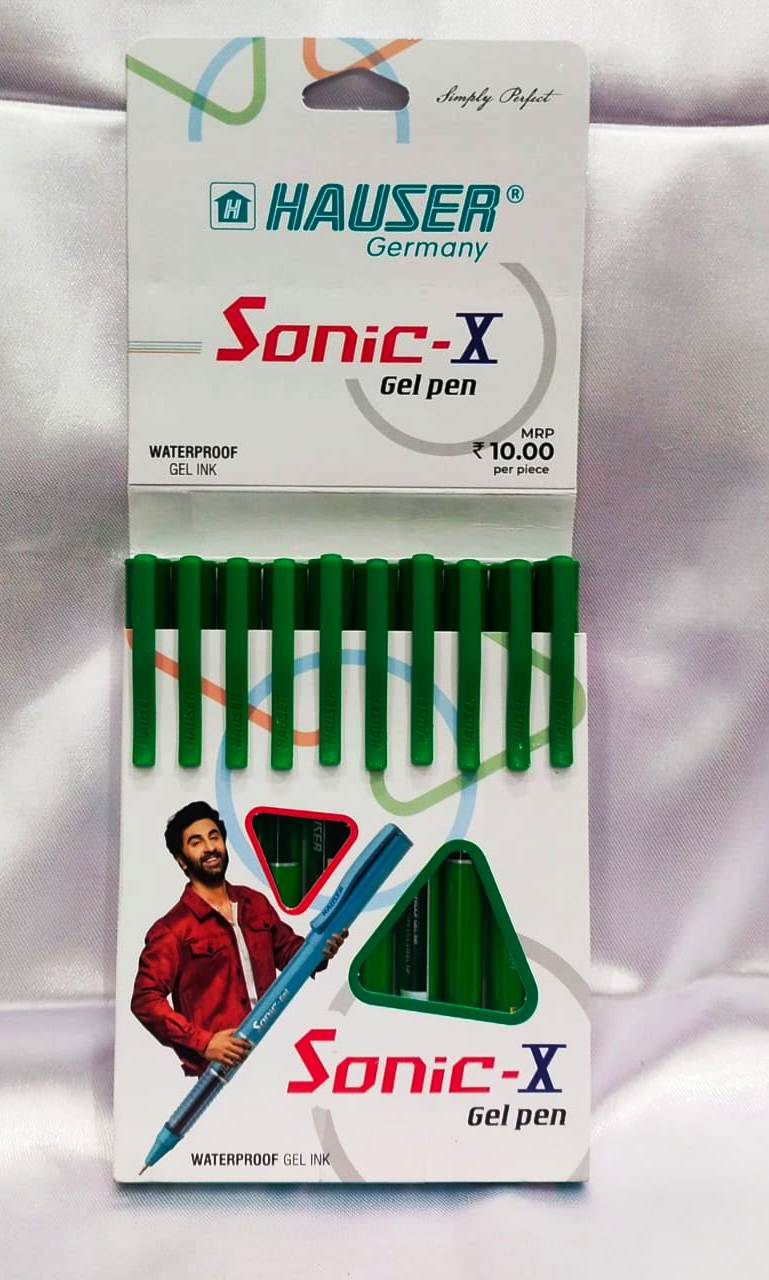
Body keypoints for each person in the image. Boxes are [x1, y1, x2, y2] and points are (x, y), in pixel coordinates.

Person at [131, 801, 346, 1075]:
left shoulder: (254, 903)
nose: (210, 847)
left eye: (214, 837)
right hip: (218, 1073)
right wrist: (204, 1042)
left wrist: (320, 950)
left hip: (274, 1057)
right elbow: (145, 1000)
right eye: (196, 842)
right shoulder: (173, 929)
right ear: (181, 860)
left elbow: (289, 954)